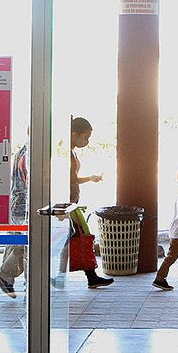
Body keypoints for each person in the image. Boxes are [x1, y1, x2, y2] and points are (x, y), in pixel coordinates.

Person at [70, 117, 114, 288]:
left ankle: (91, 276)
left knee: (80, 238)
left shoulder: (72, 152)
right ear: (75, 134)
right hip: (69, 205)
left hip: (72, 203)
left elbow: (73, 180)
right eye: (85, 137)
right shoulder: (67, 154)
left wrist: (90, 178)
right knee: (80, 238)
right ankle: (91, 276)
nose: (87, 141)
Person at [0, 138, 29, 298]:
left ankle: (7, 277)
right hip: (24, 205)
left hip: (16, 203)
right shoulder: (30, 153)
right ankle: (6, 275)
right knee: (26, 246)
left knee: (16, 241)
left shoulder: (22, 150)